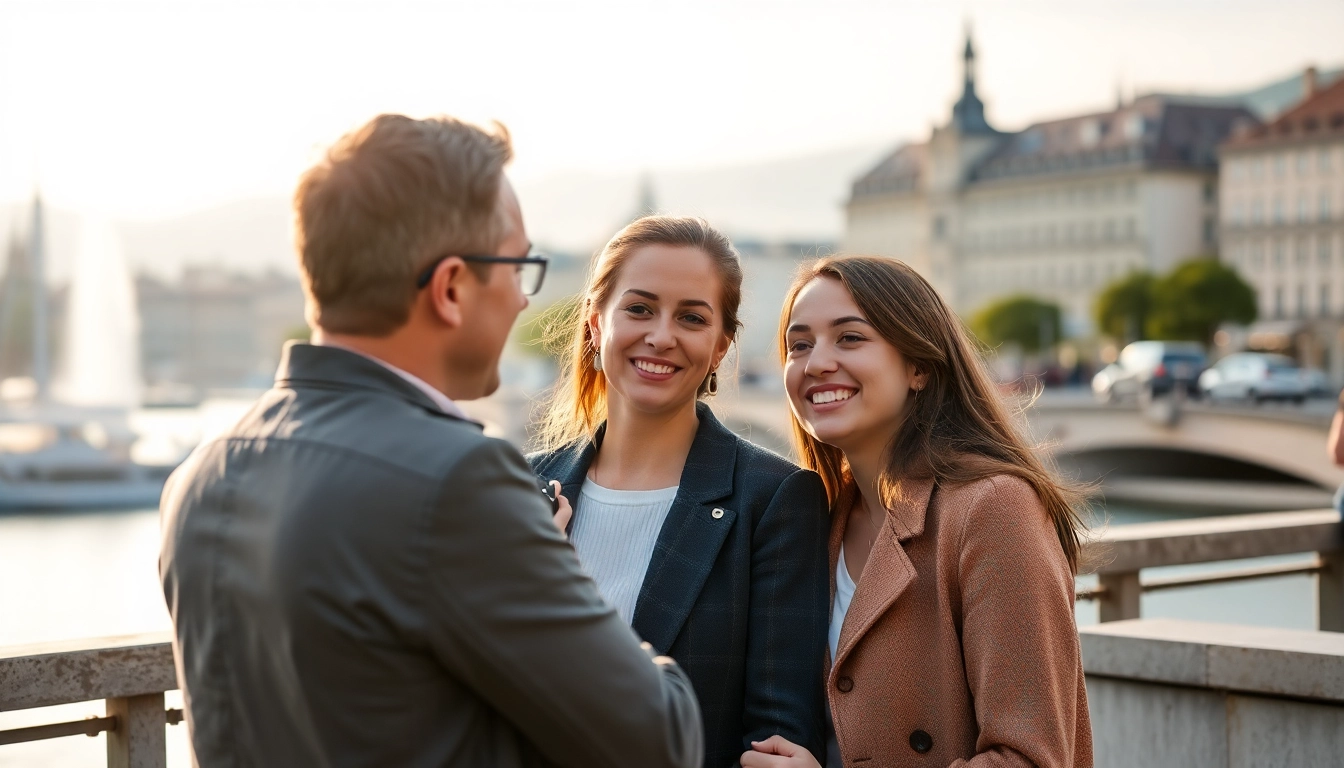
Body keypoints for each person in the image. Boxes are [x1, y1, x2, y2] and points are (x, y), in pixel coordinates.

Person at [159, 114, 702, 768]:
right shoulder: (456, 481)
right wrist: (555, 572)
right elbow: (661, 740)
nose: (522, 300)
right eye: (517, 267)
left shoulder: (201, 475)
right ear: (449, 289)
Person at [743, 255, 1092, 768]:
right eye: (800, 344)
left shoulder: (991, 508)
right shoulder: (814, 519)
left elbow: (1031, 759)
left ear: (920, 366)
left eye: (850, 338)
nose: (816, 362)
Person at [529, 216, 830, 767]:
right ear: (596, 325)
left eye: (691, 317)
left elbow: (775, 744)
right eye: (639, 309)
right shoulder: (518, 489)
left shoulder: (774, 501)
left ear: (720, 346)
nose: (661, 336)